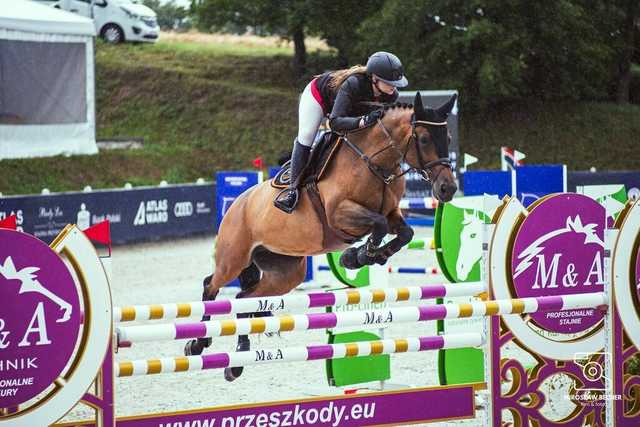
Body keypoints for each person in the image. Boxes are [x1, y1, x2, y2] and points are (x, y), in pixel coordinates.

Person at [274, 51, 409, 214]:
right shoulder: (354, 84)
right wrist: (363, 121)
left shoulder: (390, 95)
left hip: (349, 109)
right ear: (374, 78)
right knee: (307, 135)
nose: (394, 86)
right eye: (389, 82)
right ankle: (292, 191)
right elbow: (336, 122)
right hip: (318, 98)